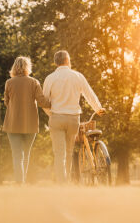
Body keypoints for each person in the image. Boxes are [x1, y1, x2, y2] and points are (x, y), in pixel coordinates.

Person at [43, 50, 105, 183]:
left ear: (56, 62)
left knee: (60, 154)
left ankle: (62, 183)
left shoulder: (50, 78)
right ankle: (67, 182)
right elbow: (89, 94)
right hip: (73, 119)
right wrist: (98, 108)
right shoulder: (77, 76)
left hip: (56, 118)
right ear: (68, 60)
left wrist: (51, 113)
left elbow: (44, 102)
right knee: (69, 152)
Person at [3, 56, 50, 184]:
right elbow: (43, 102)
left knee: (17, 155)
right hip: (30, 124)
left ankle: (20, 183)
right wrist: (58, 102)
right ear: (28, 67)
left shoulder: (9, 83)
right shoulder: (34, 82)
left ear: (14, 67)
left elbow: (6, 102)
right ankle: (22, 182)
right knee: (26, 154)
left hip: (12, 124)